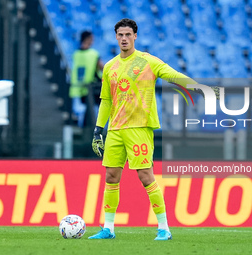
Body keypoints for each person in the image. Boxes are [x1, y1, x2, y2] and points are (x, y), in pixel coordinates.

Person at [90, 18, 219, 241]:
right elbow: (106, 101)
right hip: (115, 130)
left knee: (145, 176)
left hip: (139, 128)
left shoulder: (147, 61)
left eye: (128, 34)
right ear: (115, 37)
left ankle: (164, 228)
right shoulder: (110, 66)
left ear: (135, 36)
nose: (124, 38)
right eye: (120, 35)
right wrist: (98, 129)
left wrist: (199, 87)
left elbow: (171, 74)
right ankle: (108, 228)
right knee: (111, 176)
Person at [69, 31, 104, 128]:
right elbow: (103, 68)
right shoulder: (93, 54)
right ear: (87, 39)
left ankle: (85, 128)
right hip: (93, 88)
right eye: (91, 39)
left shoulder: (76, 54)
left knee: (88, 109)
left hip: (79, 88)